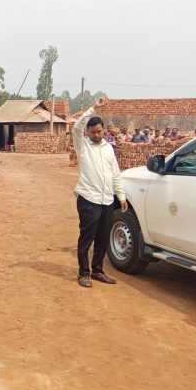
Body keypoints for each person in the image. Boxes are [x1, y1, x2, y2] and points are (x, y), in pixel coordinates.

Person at [73, 97, 128, 288]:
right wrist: (93, 108)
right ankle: (83, 273)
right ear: (87, 132)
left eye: (99, 131)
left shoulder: (108, 148)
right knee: (87, 237)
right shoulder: (82, 146)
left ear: (104, 130)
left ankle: (97, 270)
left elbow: (114, 172)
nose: (96, 135)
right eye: (93, 132)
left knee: (103, 237)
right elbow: (76, 127)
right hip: (88, 199)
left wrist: (120, 195)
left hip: (106, 200)